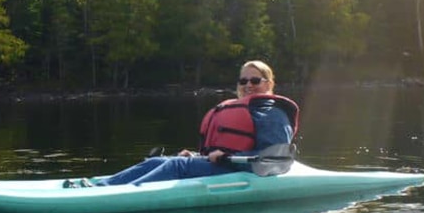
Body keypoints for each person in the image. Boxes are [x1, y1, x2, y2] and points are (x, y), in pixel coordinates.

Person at [66, 60, 299, 188]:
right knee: (159, 160)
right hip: (226, 163)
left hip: (243, 169)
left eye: (255, 80)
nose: (248, 84)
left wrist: (228, 157)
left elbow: (274, 157)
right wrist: (199, 155)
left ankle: (112, 194)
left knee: (176, 165)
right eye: (243, 80)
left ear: (269, 83)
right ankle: (101, 184)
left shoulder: (273, 113)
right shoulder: (242, 107)